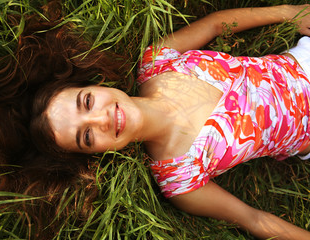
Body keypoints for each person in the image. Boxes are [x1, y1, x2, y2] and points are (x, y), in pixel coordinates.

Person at [30, 4, 310, 240]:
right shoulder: (179, 177)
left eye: (87, 102)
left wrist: (290, 12)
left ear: (96, 85)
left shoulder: (157, 61)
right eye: (87, 136)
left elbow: (215, 25)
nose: (102, 118)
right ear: (95, 155)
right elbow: (254, 218)